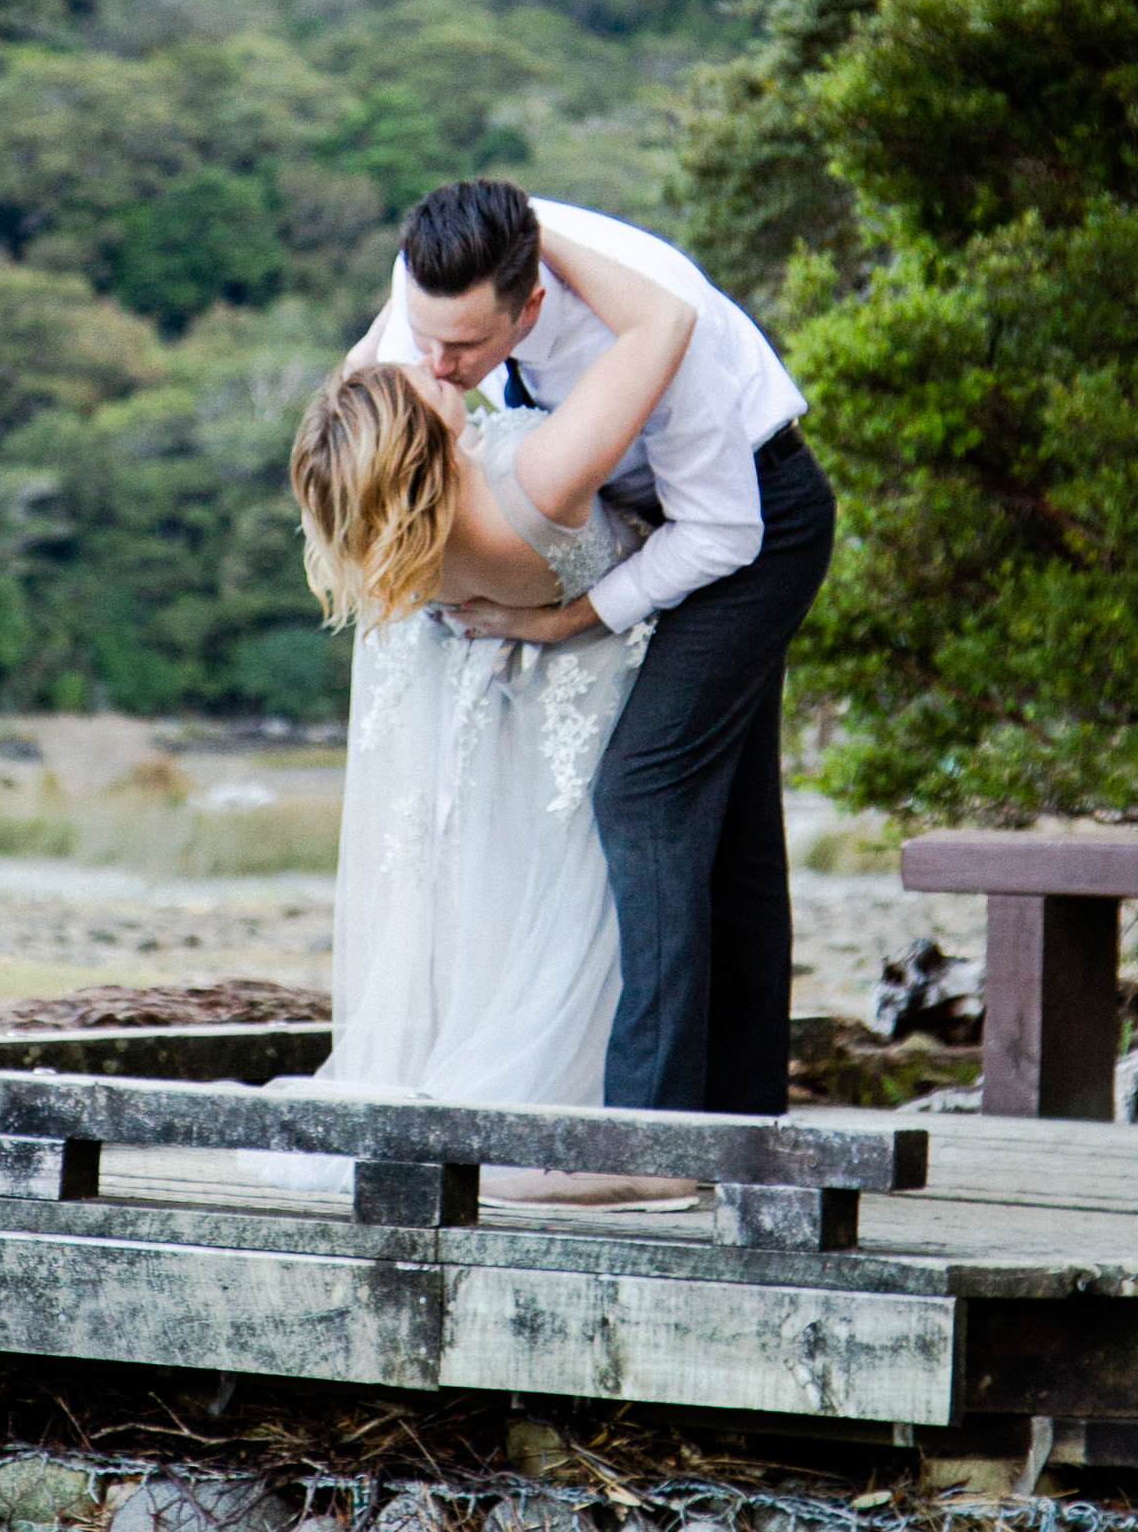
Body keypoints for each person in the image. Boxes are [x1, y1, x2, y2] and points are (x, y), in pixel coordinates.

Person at [371, 180, 832, 1117]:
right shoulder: (438, 285)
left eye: (462, 347)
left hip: (754, 527)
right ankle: (739, 1119)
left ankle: (643, 1133)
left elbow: (722, 534)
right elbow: (381, 410)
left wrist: (565, 619)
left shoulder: (658, 323)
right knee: (732, 831)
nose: (436, 360)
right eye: (425, 334)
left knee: (643, 794)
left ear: (531, 305)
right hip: (642, 523)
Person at [287, 220, 695, 1108]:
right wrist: (535, 234)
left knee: (493, 897)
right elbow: (663, 322)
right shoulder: (537, 483)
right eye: (417, 376)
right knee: (583, 912)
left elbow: (373, 369)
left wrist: (434, 275)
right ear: (418, 443)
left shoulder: (393, 544)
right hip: (598, 707)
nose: (431, 366)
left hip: (519, 728)